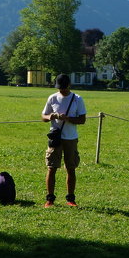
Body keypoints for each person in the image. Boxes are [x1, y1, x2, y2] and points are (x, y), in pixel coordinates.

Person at [41, 74, 87, 208]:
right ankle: (50, 199)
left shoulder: (77, 99)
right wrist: (51, 116)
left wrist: (68, 118)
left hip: (70, 138)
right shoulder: (52, 98)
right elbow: (43, 116)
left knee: (70, 168)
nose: (61, 90)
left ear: (69, 86)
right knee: (51, 167)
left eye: (63, 88)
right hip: (56, 138)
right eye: (59, 88)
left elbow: (82, 120)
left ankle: (71, 199)